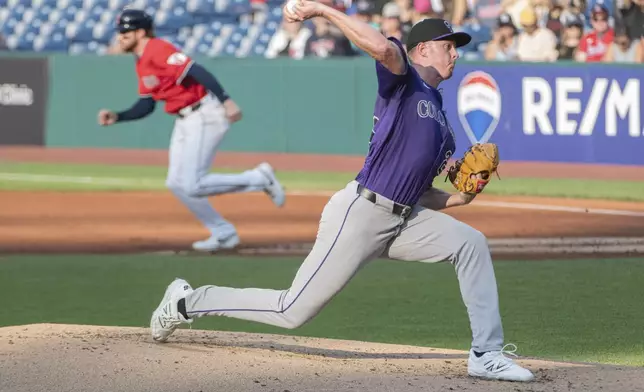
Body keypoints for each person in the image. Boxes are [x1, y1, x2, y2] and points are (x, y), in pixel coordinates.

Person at [149, 0, 535, 383]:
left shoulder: (443, 125)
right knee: (292, 310)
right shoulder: (404, 81)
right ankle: (187, 302)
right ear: (422, 50)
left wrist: (460, 198)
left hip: (404, 219)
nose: (455, 52)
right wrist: (321, 10)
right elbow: (383, 48)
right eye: (447, 44)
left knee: (471, 244)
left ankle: (486, 352)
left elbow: (420, 192)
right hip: (362, 213)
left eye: (456, 46)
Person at [97, 9, 286, 253]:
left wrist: (226, 100)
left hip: (204, 113)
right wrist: (118, 116)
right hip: (184, 119)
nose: (120, 36)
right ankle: (223, 233)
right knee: (176, 183)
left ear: (140, 32)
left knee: (193, 184)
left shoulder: (157, 48)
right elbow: (147, 103)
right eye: (120, 31)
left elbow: (195, 70)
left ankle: (260, 178)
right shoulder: (141, 60)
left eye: (125, 31)